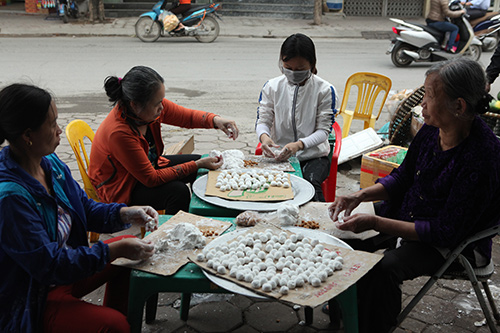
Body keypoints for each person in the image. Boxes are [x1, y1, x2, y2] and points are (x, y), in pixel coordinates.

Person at [328, 58, 500, 333]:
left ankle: (373, 325)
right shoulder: (431, 130)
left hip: (455, 243)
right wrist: (359, 195)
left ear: (459, 106)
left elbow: (444, 231)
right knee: (343, 242)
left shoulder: (482, 157)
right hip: (413, 214)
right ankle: (344, 314)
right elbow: (404, 176)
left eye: (429, 96)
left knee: (382, 268)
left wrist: (374, 223)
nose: (422, 104)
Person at [0, 83, 158, 332]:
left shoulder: (49, 164)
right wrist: (112, 251)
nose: (59, 130)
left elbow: (84, 207)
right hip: (34, 296)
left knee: (131, 252)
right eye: (52, 125)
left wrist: (125, 213)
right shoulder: (11, 198)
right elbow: (51, 266)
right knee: (114, 324)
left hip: (63, 271)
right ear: (28, 135)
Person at [89, 65, 239, 214]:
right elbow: (151, 179)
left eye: (162, 100)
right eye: (157, 104)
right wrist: (195, 164)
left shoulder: (147, 109)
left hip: (147, 167)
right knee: (178, 192)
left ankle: (202, 215)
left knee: (201, 166)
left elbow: (187, 117)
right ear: (135, 105)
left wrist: (216, 120)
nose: (162, 107)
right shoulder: (119, 133)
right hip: (122, 186)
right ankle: (169, 233)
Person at [256, 33, 337, 202]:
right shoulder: (272, 87)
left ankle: (318, 224)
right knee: (267, 189)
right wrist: (264, 138)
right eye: (288, 68)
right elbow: (263, 121)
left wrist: (299, 145)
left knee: (310, 187)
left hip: (313, 156)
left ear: (312, 65)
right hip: (279, 154)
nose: (293, 73)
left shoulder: (325, 90)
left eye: (300, 70)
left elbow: (323, 131)